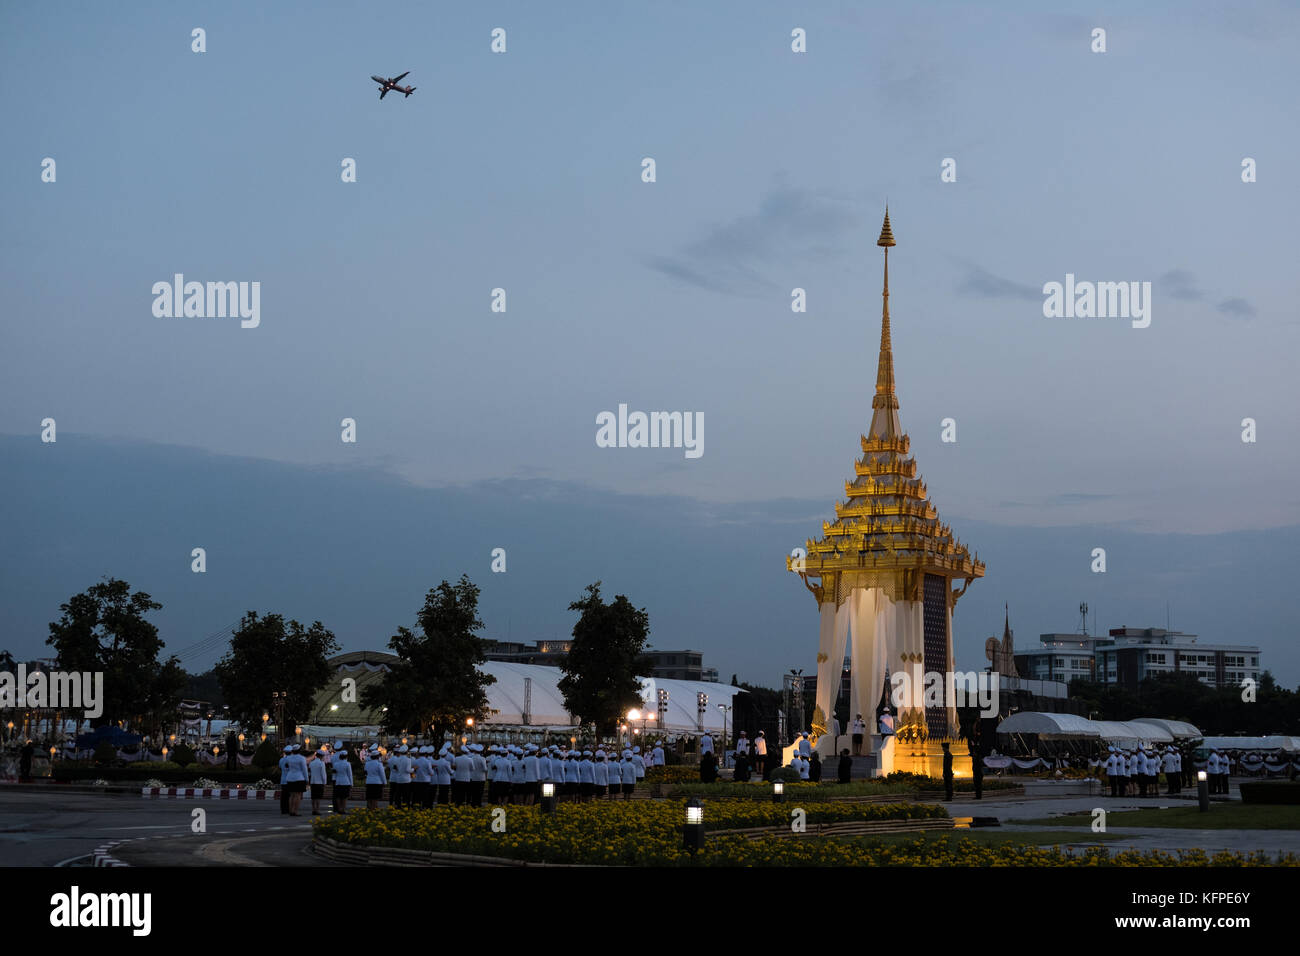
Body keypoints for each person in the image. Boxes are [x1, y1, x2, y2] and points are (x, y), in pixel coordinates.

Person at [284, 744, 309, 816]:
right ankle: (295, 811)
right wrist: (307, 779)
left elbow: (287, 767)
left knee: (291, 795)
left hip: (290, 777)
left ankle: (291, 810)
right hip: (299, 778)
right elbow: (304, 770)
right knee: (298, 795)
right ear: (299, 750)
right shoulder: (302, 758)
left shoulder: (288, 758)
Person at [332, 746, 353, 815]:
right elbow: (350, 774)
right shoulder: (347, 764)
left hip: (338, 781)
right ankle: (343, 809)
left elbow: (334, 773)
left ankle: (339, 808)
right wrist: (351, 784)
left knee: (338, 796)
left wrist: (334, 781)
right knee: (344, 797)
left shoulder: (336, 764)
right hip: (346, 782)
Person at [308, 747, 328, 816]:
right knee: (318, 797)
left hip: (313, 782)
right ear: (321, 756)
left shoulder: (311, 763)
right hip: (319, 782)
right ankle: (317, 810)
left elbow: (309, 773)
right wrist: (325, 782)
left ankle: (313, 809)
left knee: (313, 797)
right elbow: (323, 774)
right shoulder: (322, 763)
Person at [278, 745, 293, 815]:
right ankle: (289, 809)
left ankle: (283, 810)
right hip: (291, 779)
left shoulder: (281, 760)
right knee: (290, 795)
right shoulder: (292, 760)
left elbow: (280, 768)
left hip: (283, 779)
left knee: (283, 796)